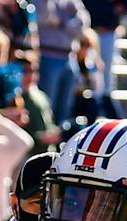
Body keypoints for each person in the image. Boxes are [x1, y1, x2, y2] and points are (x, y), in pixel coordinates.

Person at [33, 0, 87, 128]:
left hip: (69, 58)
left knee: (65, 105)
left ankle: (61, 137)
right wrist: (68, 21)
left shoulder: (73, 2)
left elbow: (82, 26)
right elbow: (43, 17)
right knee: (48, 103)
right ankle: (47, 136)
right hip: (48, 56)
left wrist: (61, 22)